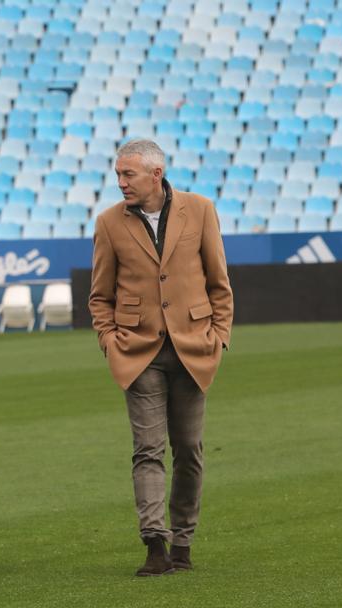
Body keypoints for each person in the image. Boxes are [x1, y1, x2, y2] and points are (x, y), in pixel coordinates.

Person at [89, 139, 234, 577]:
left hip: (194, 346)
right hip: (138, 351)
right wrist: (110, 340)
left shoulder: (201, 209)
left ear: (156, 174)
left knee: (188, 449)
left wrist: (219, 336)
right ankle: (155, 543)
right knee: (147, 450)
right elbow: (100, 295)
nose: (120, 183)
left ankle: (184, 542)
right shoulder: (108, 223)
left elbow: (219, 281)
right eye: (117, 174)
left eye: (127, 174)